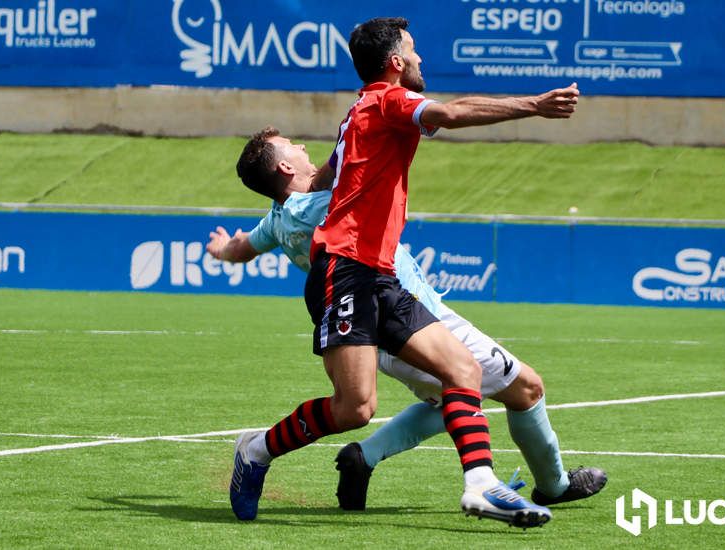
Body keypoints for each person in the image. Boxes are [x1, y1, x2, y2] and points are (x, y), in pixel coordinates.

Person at [223, 16, 580, 528]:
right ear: (394, 63)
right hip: (344, 270)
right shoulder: (387, 101)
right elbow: (453, 113)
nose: (420, 59)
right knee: (355, 408)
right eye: (413, 52)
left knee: (463, 371)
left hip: (379, 274)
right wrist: (536, 105)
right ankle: (256, 449)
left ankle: (481, 484)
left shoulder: (356, 117)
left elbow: (327, 174)